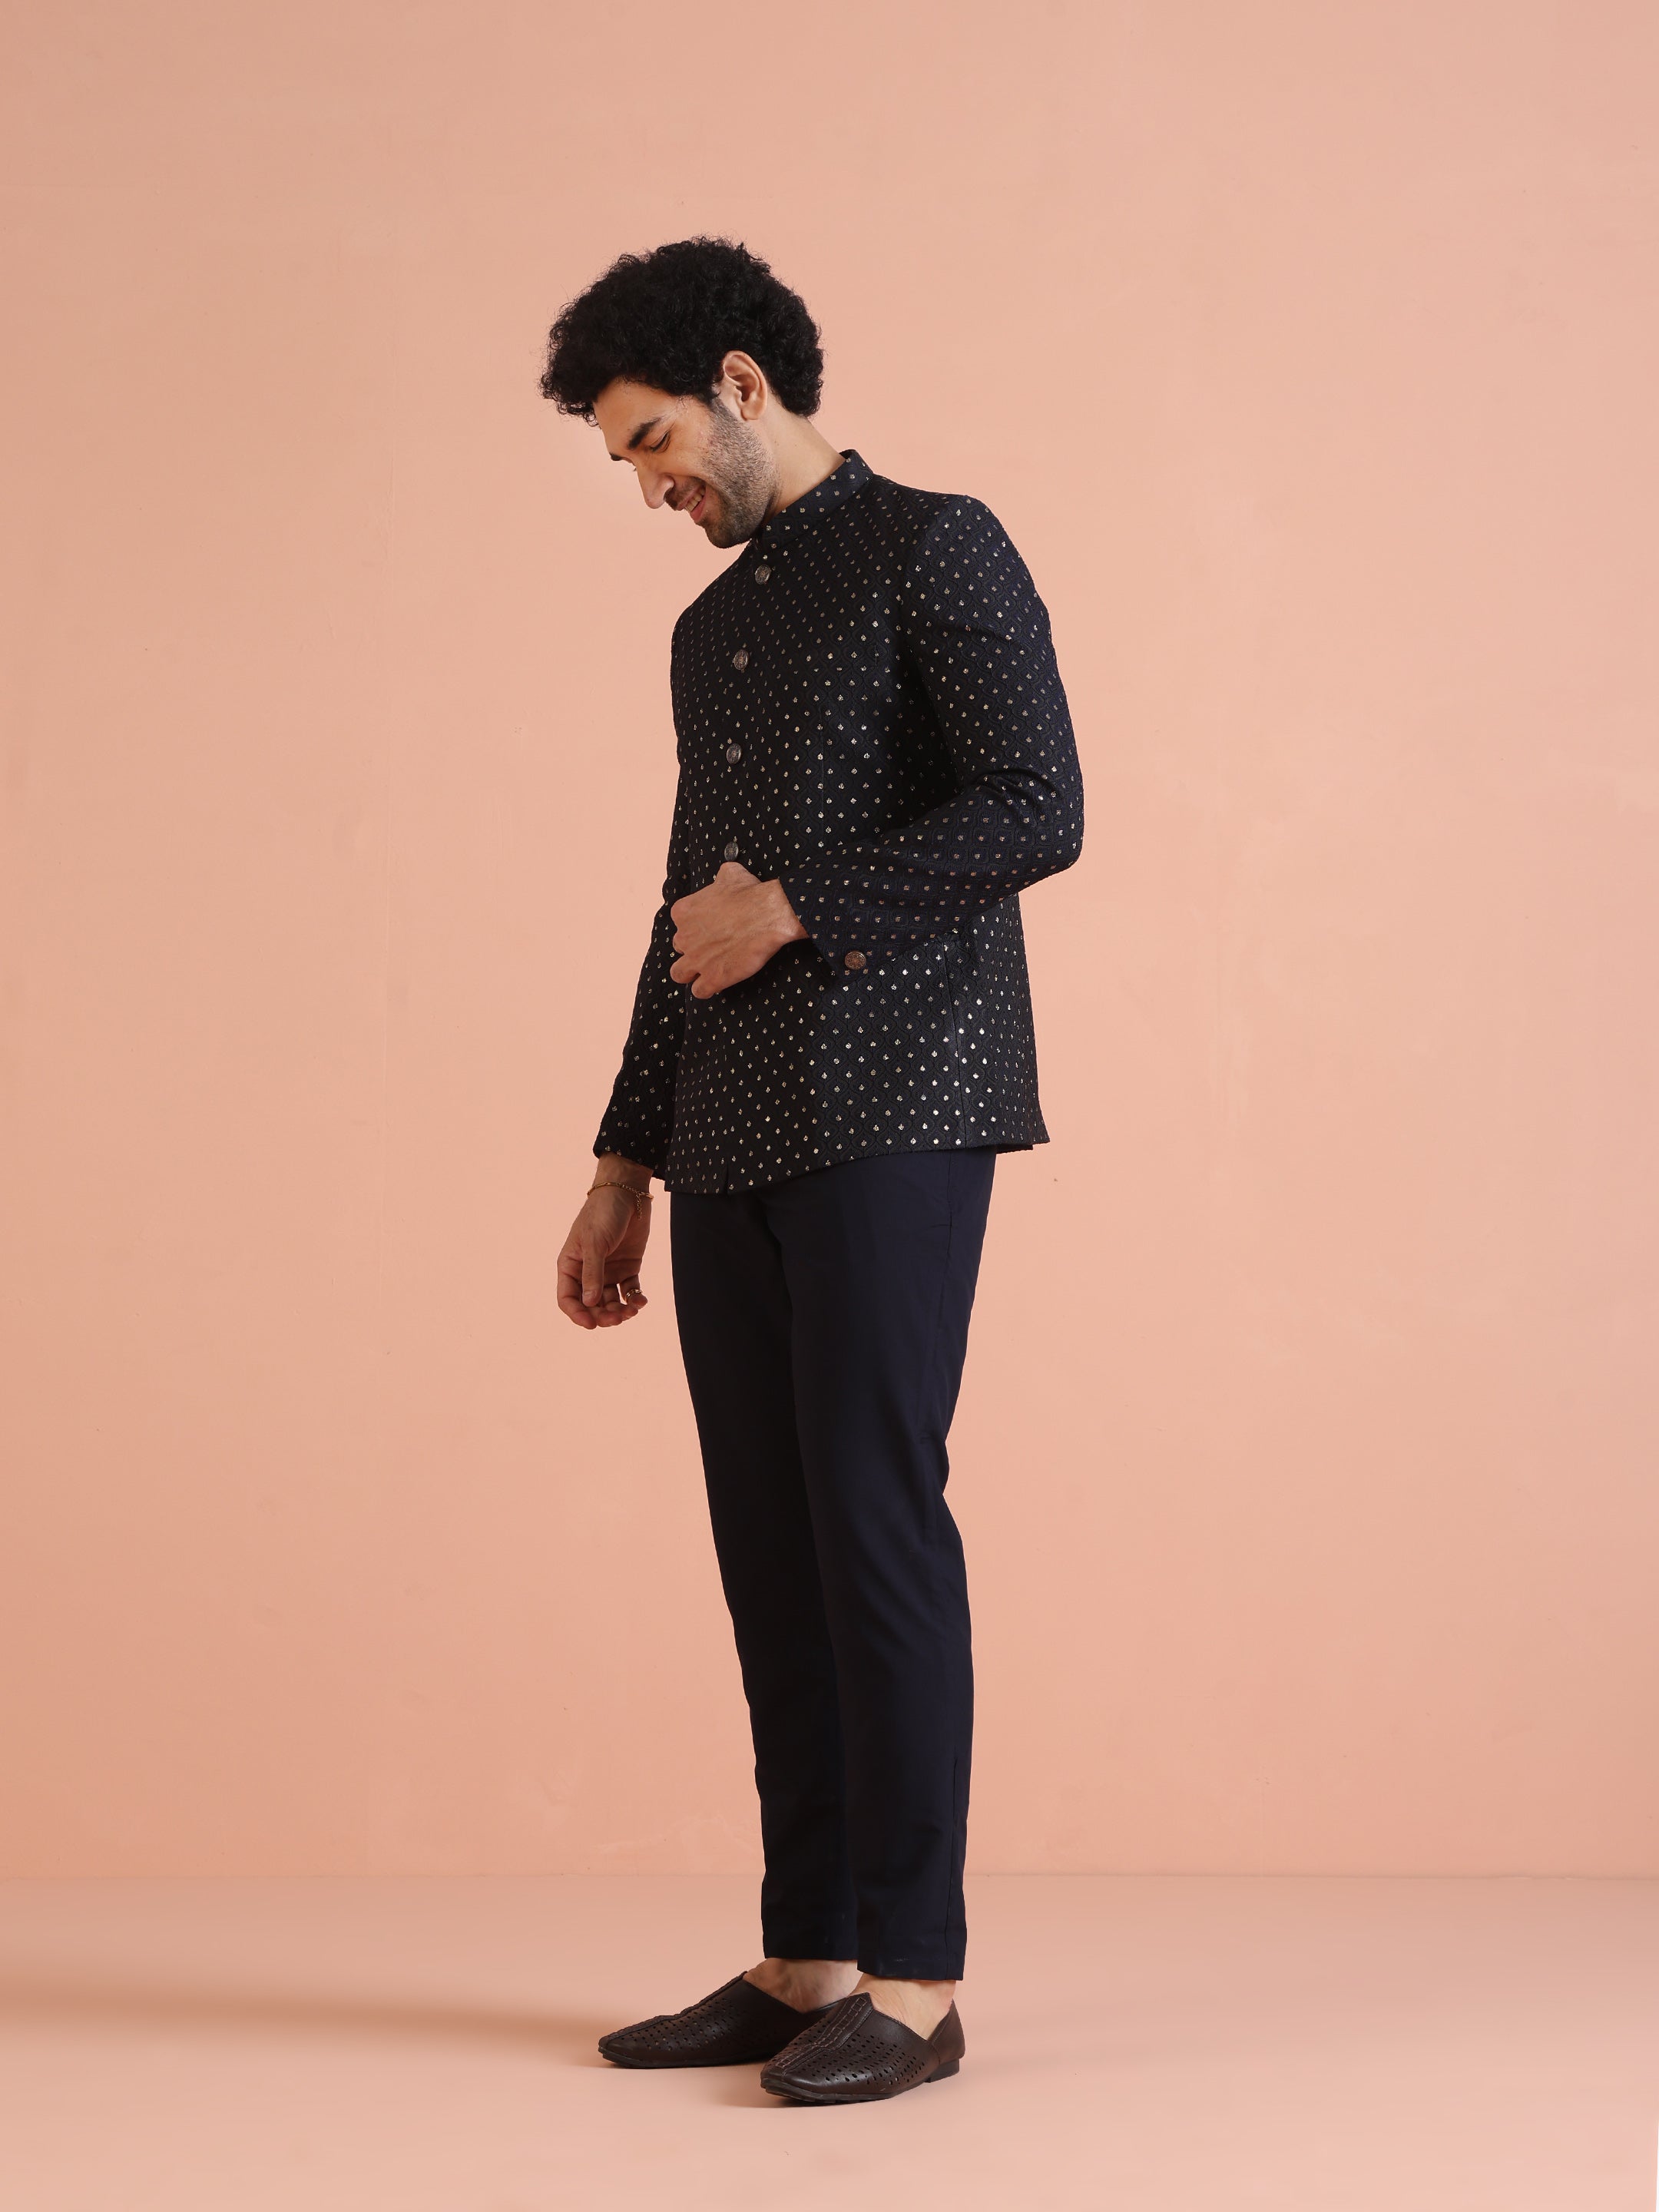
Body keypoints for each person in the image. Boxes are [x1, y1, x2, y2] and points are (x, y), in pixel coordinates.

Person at [539, 237, 1083, 2104]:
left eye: (653, 441)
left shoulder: (941, 545)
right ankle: (809, 1956)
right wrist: (623, 1157)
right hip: (727, 1132)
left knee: (871, 1518)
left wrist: (802, 906)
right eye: (623, 459)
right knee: (768, 1544)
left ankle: (916, 1985)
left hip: (902, 1102)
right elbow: (686, 905)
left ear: (745, 386)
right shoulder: (710, 634)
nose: (649, 487)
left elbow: (1040, 805)